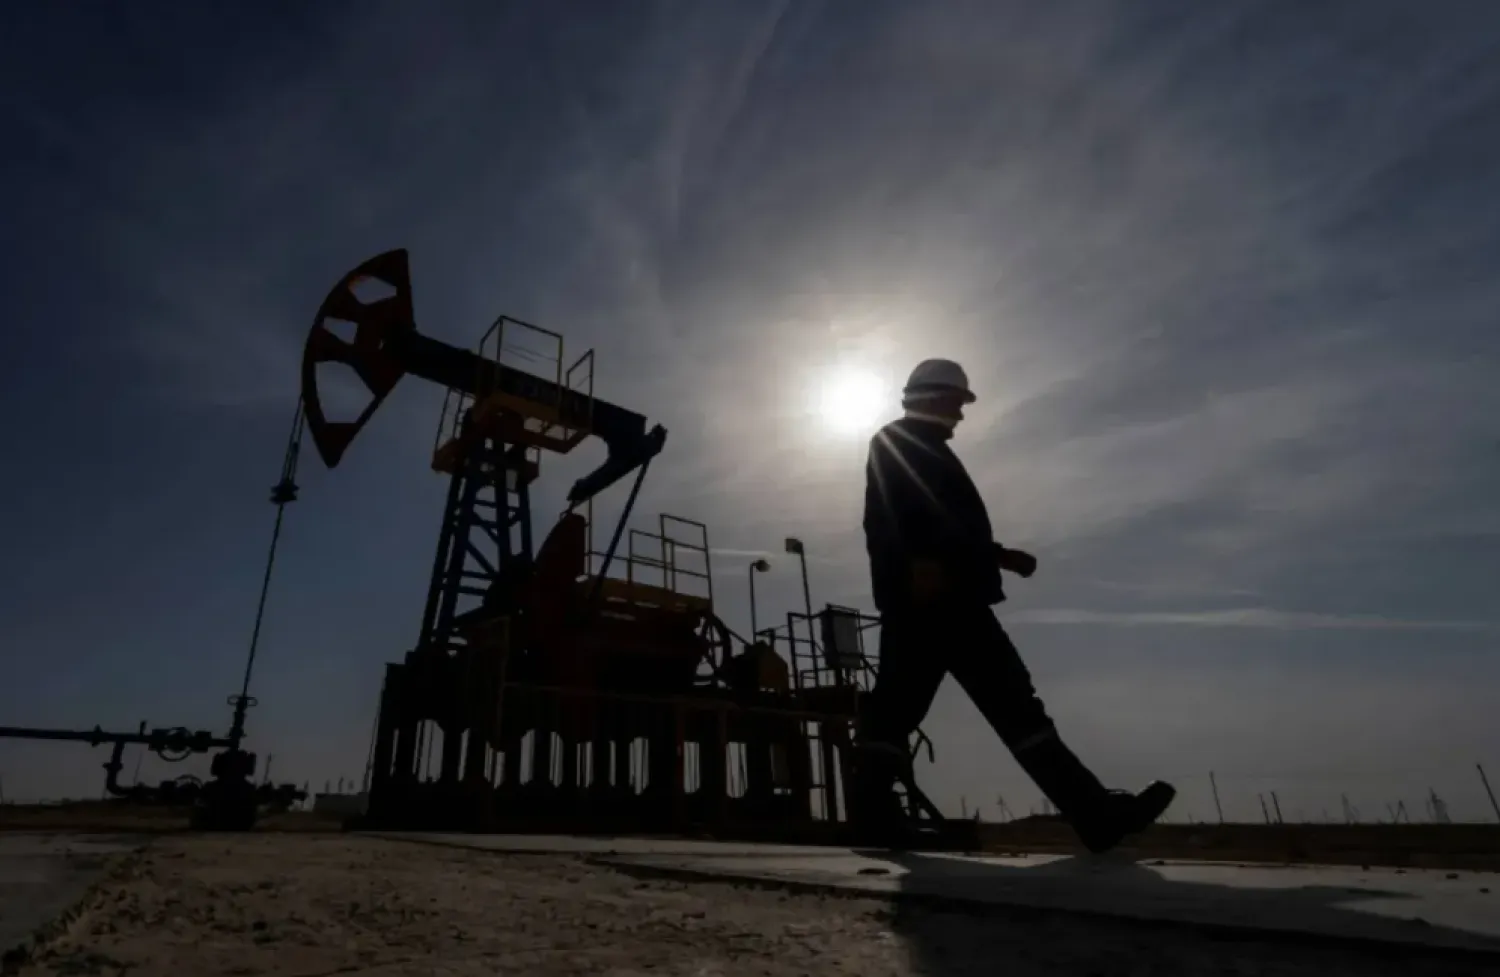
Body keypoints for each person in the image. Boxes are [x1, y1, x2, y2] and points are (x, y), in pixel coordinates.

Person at [854, 357, 1175, 853]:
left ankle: (1095, 815)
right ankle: (1095, 815)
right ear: (936, 396)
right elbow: (908, 514)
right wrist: (922, 568)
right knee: (968, 708)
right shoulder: (899, 443)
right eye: (958, 403)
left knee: (922, 711)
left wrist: (996, 556)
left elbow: (942, 523)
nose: (961, 414)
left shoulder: (925, 449)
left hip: (941, 600)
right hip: (937, 603)